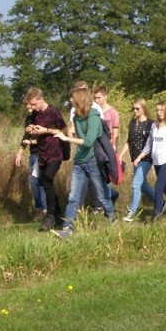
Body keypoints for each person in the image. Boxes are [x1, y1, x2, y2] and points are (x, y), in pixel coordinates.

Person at [52, 86, 116, 238]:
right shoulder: (76, 117)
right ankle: (67, 229)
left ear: (79, 99)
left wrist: (67, 139)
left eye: (72, 98)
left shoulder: (94, 117)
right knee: (73, 197)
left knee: (101, 196)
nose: (70, 100)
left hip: (93, 160)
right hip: (79, 161)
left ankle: (112, 220)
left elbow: (88, 142)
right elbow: (76, 134)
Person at [18, 88, 67, 231]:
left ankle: (50, 216)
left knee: (46, 179)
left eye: (33, 104)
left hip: (55, 152)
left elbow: (64, 130)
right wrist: (32, 130)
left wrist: (46, 130)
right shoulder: (35, 115)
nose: (31, 108)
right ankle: (57, 214)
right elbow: (35, 132)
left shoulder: (53, 112)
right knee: (45, 182)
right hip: (42, 153)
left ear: (40, 99)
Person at [118, 99, 155, 221]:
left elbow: (151, 144)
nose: (135, 111)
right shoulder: (132, 123)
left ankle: (132, 212)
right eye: (133, 108)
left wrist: (142, 156)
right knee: (143, 186)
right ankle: (160, 201)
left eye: (137, 108)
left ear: (143, 108)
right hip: (134, 158)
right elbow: (129, 141)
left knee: (136, 184)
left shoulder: (151, 124)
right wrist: (121, 155)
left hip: (146, 158)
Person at [14, 105, 47, 221]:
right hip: (32, 154)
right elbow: (25, 136)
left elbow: (47, 137)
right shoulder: (29, 119)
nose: (29, 110)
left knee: (35, 180)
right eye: (27, 108)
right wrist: (20, 152)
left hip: (42, 153)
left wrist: (32, 140)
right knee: (37, 182)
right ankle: (43, 209)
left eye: (30, 107)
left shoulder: (44, 118)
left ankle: (41, 209)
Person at [93, 86, 120, 150]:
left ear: (105, 97)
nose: (96, 100)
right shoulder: (93, 112)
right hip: (96, 144)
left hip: (108, 145)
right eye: (95, 98)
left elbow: (115, 132)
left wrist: (114, 145)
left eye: (99, 98)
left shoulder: (113, 112)